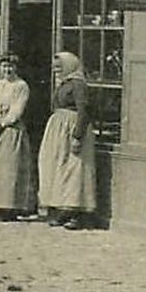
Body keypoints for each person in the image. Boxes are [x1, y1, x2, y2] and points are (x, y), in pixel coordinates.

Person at [37, 51, 96, 230]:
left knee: (74, 170)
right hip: (59, 129)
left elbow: (83, 110)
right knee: (57, 167)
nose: (56, 71)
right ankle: (61, 210)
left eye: (59, 67)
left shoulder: (78, 84)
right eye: (54, 68)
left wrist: (77, 136)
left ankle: (76, 213)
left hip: (72, 128)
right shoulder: (64, 84)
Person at [0, 52, 36, 221]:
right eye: (4, 66)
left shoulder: (21, 86)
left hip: (11, 130)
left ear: (16, 68)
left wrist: (3, 123)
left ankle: (10, 208)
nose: (7, 69)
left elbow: (18, 109)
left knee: (10, 169)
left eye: (10, 66)